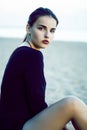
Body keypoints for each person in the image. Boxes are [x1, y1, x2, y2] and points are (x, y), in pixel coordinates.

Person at [0, 7, 87, 130]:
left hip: (12, 124)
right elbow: (36, 102)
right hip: (20, 127)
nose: (47, 35)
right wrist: (60, 124)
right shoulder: (32, 55)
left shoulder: (20, 51)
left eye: (52, 31)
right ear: (28, 28)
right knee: (72, 104)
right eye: (41, 28)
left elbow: (31, 100)